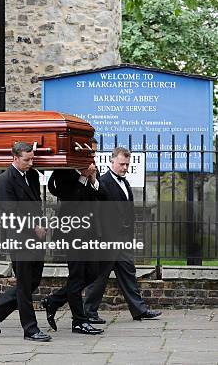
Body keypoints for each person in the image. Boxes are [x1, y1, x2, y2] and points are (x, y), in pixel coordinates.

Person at [0, 142, 51, 342]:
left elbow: (37, 204)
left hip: (36, 237)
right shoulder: (5, 180)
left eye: (32, 159)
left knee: (33, 281)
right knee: (23, 284)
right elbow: (10, 212)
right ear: (14, 158)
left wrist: (42, 224)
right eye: (26, 160)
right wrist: (33, 226)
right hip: (19, 238)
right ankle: (30, 329)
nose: (31, 163)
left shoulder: (32, 175)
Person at [83, 147, 162, 323]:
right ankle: (89, 312)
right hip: (107, 240)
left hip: (123, 240)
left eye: (127, 164)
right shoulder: (103, 181)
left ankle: (139, 310)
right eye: (122, 164)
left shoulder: (124, 183)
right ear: (112, 162)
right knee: (99, 277)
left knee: (128, 274)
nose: (125, 168)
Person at [40, 138, 103, 335]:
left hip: (90, 232)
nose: (92, 156)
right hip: (71, 233)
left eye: (94, 152)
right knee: (76, 276)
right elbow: (70, 201)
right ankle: (79, 321)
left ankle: (54, 300)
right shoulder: (64, 173)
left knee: (93, 272)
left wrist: (92, 180)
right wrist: (83, 178)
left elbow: (102, 198)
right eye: (89, 152)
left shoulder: (92, 170)